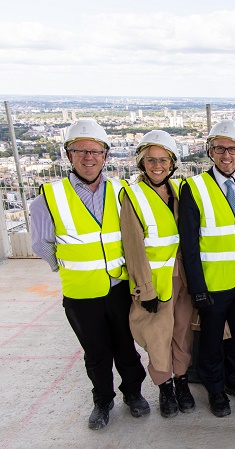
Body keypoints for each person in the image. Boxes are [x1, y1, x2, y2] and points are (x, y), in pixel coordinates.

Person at [30, 119, 149, 430]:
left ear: (105, 155)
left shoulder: (122, 190)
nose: (88, 157)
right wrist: (68, 267)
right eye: (79, 150)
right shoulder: (50, 196)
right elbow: (41, 244)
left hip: (119, 287)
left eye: (95, 151)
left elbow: (134, 235)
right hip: (80, 292)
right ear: (69, 155)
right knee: (96, 353)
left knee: (126, 347)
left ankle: (133, 393)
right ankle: (103, 399)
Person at [179, 119, 235, 418]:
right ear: (210, 152)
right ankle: (215, 388)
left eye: (233, 149)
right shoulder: (194, 187)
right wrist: (197, 288)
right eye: (219, 149)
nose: (226, 155)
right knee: (212, 340)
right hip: (213, 282)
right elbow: (189, 244)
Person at [119, 130, 196, 419]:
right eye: (150, 159)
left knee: (182, 333)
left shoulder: (178, 190)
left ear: (173, 162)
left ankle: (182, 382)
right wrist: (144, 288)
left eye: (163, 159)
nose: (157, 165)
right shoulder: (133, 195)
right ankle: (165, 388)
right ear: (141, 163)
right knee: (157, 337)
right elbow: (133, 247)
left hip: (184, 279)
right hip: (155, 282)